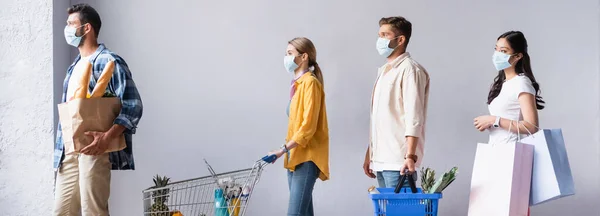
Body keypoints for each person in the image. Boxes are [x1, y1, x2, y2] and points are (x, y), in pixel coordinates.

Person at [53, 3, 143, 216]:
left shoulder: (108, 61)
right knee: (61, 212)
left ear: (86, 28)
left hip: (95, 149)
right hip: (68, 150)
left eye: (71, 24)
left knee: (93, 212)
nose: (66, 29)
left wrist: (106, 137)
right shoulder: (74, 66)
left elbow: (133, 105)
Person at [473, 30, 544, 216]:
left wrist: (494, 120)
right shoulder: (503, 83)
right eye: (496, 49)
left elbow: (532, 126)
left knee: (510, 210)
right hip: (496, 153)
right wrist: (492, 123)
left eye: (503, 51)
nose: (497, 54)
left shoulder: (522, 83)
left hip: (512, 155)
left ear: (518, 56)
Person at [362, 16, 430, 188]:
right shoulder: (385, 72)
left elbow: (414, 117)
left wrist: (410, 157)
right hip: (380, 160)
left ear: (400, 40)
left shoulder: (410, 70)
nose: (380, 40)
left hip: (398, 162)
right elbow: (380, 118)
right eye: (379, 35)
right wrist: (370, 154)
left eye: (385, 35)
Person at [264, 37, 329, 216]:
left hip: (307, 159)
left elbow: (308, 126)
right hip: (295, 157)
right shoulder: (298, 85)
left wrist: (282, 150)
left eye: (290, 54)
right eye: (286, 54)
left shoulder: (310, 84)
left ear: (304, 57)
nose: (286, 58)